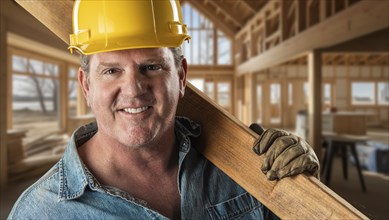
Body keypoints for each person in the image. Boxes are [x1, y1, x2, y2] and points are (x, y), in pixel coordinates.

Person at [8, 1, 319, 219]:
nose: (133, 89)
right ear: (86, 84)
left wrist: (304, 191)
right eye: (111, 71)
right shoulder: (41, 212)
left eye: (152, 67)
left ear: (181, 76)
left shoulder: (243, 168)